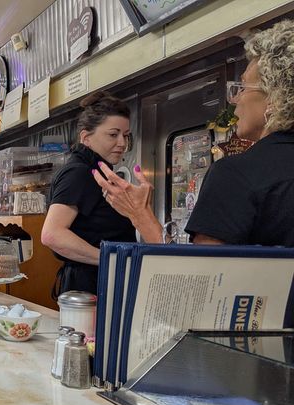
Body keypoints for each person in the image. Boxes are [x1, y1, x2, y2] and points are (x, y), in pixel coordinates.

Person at [95, 20, 294, 247]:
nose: (235, 99)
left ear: (274, 100)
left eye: (244, 87)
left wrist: (141, 215)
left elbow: (199, 277)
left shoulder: (236, 174)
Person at [41, 92, 136, 295]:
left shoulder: (98, 170)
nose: (122, 143)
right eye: (113, 134)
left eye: (125, 135)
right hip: (90, 285)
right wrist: (110, 258)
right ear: (86, 137)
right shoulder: (79, 172)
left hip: (101, 281)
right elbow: (52, 234)